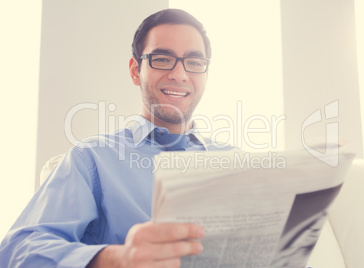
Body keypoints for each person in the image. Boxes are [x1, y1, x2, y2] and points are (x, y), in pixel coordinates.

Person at [0, 9, 229, 268]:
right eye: (162, 59)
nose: (180, 74)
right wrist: (117, 258)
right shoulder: (92, 157)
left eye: (194, 62)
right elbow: (17, 249)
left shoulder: (237, 161)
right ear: (135, 71)